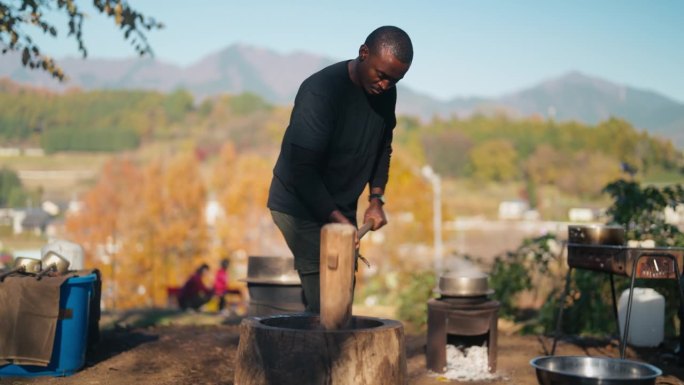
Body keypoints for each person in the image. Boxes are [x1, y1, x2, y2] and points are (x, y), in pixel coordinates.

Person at [267, 26, 413, 313]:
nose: (385, 85)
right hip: (299, 205)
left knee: (342, 294)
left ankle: (331, 351)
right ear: (363, 53)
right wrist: (337, 220)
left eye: (395, 81)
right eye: (381, 75)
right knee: (326, 300)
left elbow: (383, 146)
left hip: (338, 206)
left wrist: (376, 199)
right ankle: (310, 354)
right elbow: (303, 172)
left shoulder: (386, 94)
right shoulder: (321, 92)